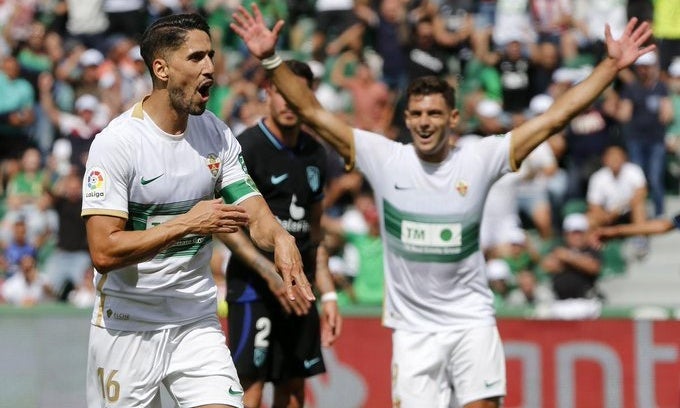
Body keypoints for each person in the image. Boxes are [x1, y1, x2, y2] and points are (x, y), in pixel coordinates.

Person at [231, 6, 654, 407]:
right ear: (408, 119)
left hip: (470, 319)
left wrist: (610, 67)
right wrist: (270, 60)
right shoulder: (385, 158)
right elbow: (310, 111)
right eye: (416, 113)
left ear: (453, 118)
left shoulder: (480, 157)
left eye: (434, 112)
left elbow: (553, 119)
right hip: (413, 330)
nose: (425, 121)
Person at [81, 13, 314, 408]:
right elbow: (104, 252)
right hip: (128, 325)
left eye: (211, 56)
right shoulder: (117, 144)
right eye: (196, 58)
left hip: (194, 320)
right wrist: (188, 222)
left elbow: (252, 210)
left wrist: (280, 239)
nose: (210, 68)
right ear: (162, 69)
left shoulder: (216, 133)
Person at [218, 60, 342, 408]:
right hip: (254, 287)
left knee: (293, 391)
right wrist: (268, 272)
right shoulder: (246, 147)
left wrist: (329, 294)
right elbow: (228, 227)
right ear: (268, 93)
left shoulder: (316, 152)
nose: (289, 102)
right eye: (282, 93)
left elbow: (314, 232)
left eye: (298, 95)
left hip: (300, 288)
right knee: (251, 389)